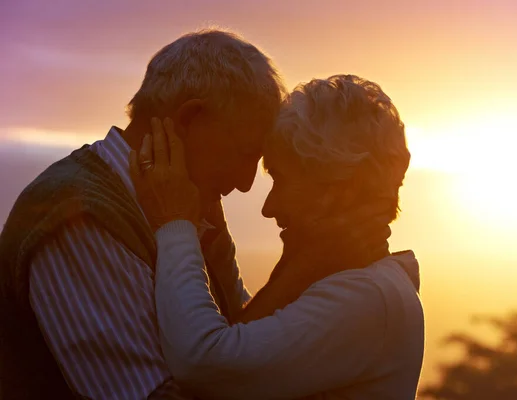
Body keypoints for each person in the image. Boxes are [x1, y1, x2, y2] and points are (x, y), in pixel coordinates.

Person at [0, 29, 286, 399]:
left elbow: (237, 346)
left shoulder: (188, 205)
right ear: (189, 119)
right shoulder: (78, 215)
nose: (246, 183)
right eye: (245, 153)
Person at [132, 75, 425, 399]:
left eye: (281, 180)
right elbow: (245, 338)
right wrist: (296, 268)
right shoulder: (367, 286)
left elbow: (204, 363)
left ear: (341, 190)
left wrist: (174, 222)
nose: (268, 208)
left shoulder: (368, 299)